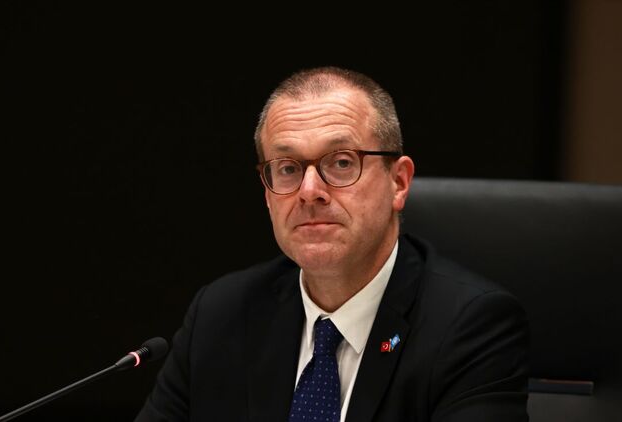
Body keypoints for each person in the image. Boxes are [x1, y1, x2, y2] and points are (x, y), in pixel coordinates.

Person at [135, 66, 529, 422]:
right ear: (267, 195)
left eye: (341, 162)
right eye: (287, 169)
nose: (309, 191)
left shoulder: (471, 327)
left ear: (398, 183)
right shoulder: (221, 314)